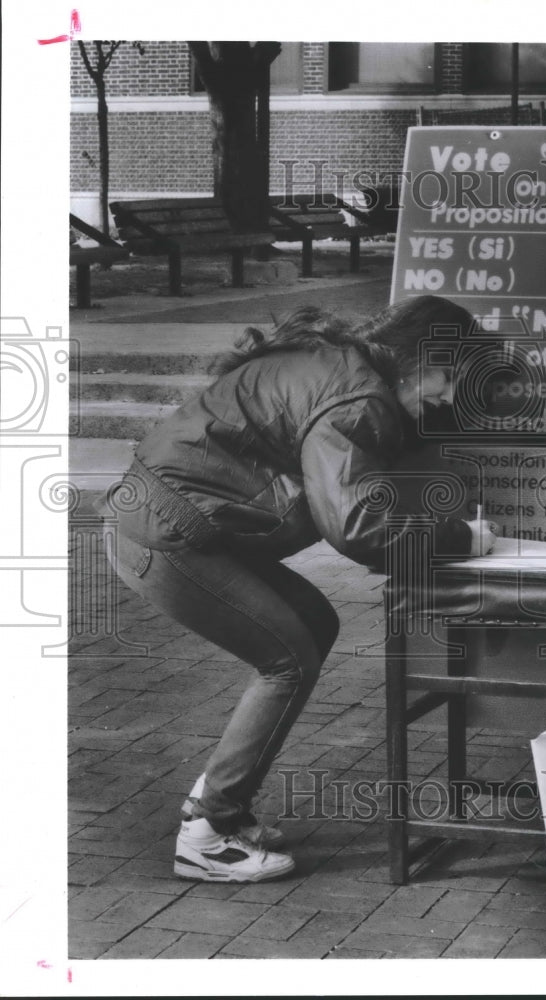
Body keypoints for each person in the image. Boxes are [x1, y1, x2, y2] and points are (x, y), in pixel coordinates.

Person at [98, 294, 497, 884]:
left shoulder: (345, 365)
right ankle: (207, 834)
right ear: (416, 358)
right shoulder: (358, 398)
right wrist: (461, 539)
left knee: (314, 621)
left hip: (174, 521)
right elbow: (356, 525)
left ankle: (212, 806)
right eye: (446, 377)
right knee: (286, 659)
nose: (445, 396)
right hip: (168, 534)